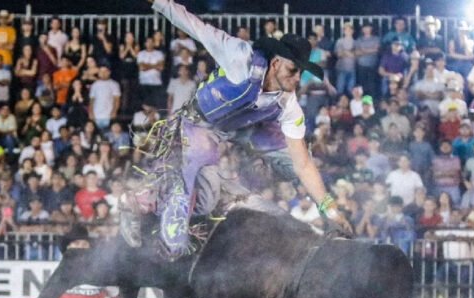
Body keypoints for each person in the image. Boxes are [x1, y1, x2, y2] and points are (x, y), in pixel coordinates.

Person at [123, 0, 350, 259]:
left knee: (286, 162)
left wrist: (329, 209)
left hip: (241, 129)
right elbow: (196, 27)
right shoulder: (239, 56)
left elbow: (303, 165)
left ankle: (229, 193)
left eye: (301, 72)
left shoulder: (289, 104)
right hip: (200, 124)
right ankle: (142, 209)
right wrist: (160, 3)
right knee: (195, 177)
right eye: (293, 70)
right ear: (275, 63)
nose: (298, 79)